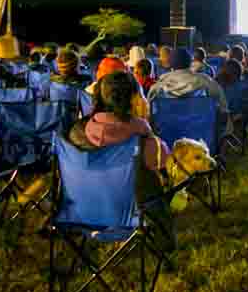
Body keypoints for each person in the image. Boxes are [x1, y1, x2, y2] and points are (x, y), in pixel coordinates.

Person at [67, 70, 175, 250]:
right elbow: (162, 161)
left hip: (87, 206)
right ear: (131, 99)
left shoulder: (84, 129)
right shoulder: (140, 132)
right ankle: (164, 243)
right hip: (129, 211)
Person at [147, 49, 229, 133]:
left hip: (166, 138)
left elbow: (148, 117)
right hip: (201, 138)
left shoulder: (157, 88)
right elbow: (224, 110)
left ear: (170, 65)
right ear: (190, 62)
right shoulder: (207, 82)